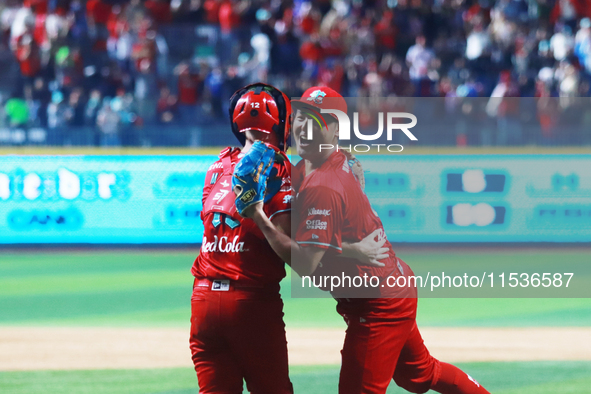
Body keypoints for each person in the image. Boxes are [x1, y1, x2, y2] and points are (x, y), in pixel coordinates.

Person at [243, 86, 491, 394]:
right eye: (301, 118)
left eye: (316, 121)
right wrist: (351, 248)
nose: (303, 128)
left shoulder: (324, 184)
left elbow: (306, 263)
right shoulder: (321, 165)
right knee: (421, 376)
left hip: (377, 304)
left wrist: (258, 216)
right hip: (392, 286)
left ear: (334, 130)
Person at [190, 82, 387, 393]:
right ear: (279, 122)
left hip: (201, 303)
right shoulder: (280, 168)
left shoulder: (217, 166)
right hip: (250, 302)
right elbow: (297, 250)